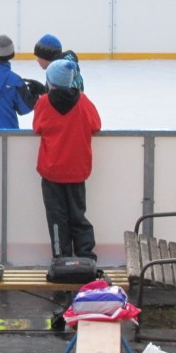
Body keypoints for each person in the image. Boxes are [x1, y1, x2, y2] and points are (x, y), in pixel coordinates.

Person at [33, 59, 101, 260]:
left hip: (52, 171)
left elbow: (38, 127)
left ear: (49, 81)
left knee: (57, 218)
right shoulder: (83, 101)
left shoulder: (44, 103)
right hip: (77, 170)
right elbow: (96, 124)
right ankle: (86, 257)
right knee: (78, 216)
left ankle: (61, 257)